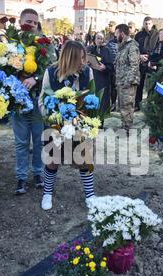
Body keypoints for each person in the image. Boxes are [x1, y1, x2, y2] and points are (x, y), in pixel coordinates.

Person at [38, 40, 96, 211]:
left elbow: (92, 97)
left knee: (85, 159)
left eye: (85, 58)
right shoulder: (51, 72)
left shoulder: (88, 72)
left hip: (80, 124)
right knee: (52, 160)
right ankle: (47, 193)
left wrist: (89, 120)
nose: (84, 62)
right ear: (70, 58)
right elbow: (42, 99)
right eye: (81, 58)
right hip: (56, 125)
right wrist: (52, 118)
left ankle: (90, 195)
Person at [11, 8, 52, 195]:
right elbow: (0, 67)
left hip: (37, 100)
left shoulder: (45, 43)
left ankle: (37, 173)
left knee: (38, 140)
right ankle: (21, 177)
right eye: (28, 21)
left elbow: (52, 68)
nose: (31, 25)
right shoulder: (12, 43)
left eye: (35, 22)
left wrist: (35, 78)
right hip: (17, 101)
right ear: (20, 22)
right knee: (20, 142)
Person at [115, 24, 140, 133]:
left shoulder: (132, 46)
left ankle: (128, 128)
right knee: (122, 106)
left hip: (128, 82)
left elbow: (134, 66)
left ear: (122, 33)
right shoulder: (122, 46)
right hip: (121, 81)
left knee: (127, 106)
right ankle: (124, 126)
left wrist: (127, 82)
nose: (116, 37)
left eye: (116, 34)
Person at [134, 17, 159, 111]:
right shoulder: (139, 35)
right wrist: (140, 56)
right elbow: (134, 48)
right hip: (140, 63)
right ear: (143, 24)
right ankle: (137, 104)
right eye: (145, 23)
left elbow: (158, 49)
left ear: (152, 24)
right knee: (139, 85)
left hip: (151, 62)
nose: (147, 25)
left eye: (149, 23)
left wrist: (150, 58)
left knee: (151, 85)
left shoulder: (157, 35)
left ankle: (149, 105)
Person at [87, 32, 114, 113]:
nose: (100, 40)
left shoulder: (106, 50)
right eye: (98, 38)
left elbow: (111, 67)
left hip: (103, 80)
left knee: (102, 103)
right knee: (92, 103)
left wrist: (105, 67)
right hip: (92, 79)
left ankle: (100, 124)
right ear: (94, 39)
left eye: (101, 38)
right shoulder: (90, 50)